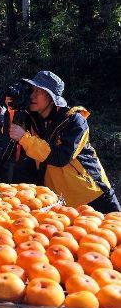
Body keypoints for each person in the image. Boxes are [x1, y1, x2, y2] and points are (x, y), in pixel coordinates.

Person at [9, 71, 120, 213]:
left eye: (40, 91)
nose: (33, 95)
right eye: (32, 90)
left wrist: (25, 138)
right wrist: (13, 110)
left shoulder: (74, 121)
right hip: (61, 202)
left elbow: (61, 157)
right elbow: (17, 150)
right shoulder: (32, 120)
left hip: (93, 195)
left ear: (52, 98)